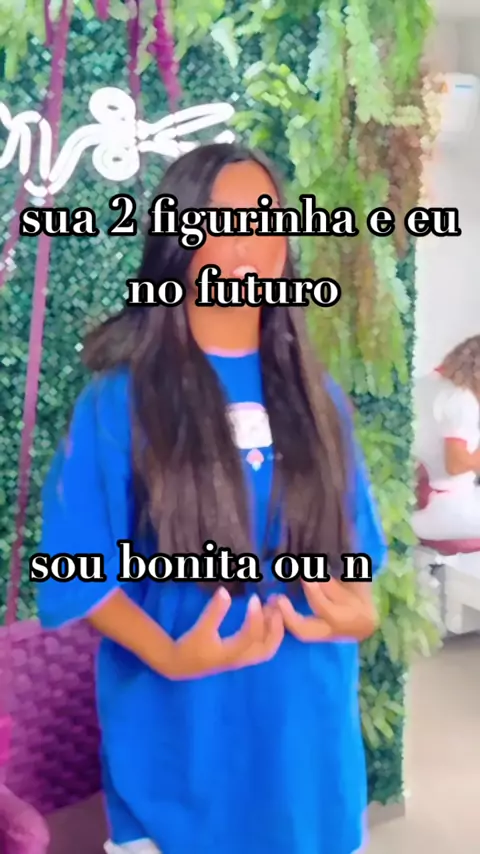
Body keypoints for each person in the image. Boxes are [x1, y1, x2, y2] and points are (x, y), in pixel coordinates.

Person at [37, 142, 387, 854]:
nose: (248, 242)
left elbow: (354, 555)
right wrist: (170, 655)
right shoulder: (118, 403)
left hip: (313, 768)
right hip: (180, 772)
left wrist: (361, 613)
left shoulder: (321, 401)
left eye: (266, 219)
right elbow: (78, 571)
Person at [412, 335, 480, 542]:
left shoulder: (426, 383)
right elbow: (456, 465)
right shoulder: (461, 400)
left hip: (421, 499)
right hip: (450, 508)